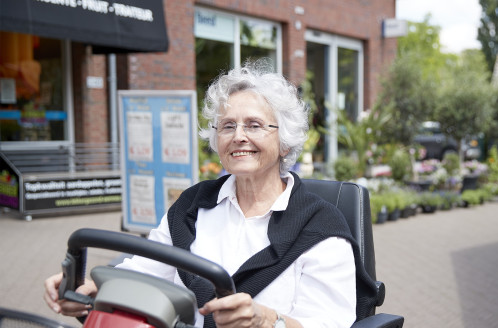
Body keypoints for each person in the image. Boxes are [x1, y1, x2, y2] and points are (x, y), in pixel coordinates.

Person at [44, 60, 377, 328]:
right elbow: (146, 269)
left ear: (285, 141)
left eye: (255, 125)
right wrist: (90, 290)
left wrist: (267, 320)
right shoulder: (192, 205)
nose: (238, 137)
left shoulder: (321, 227)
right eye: (227, 126)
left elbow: (329, 322)